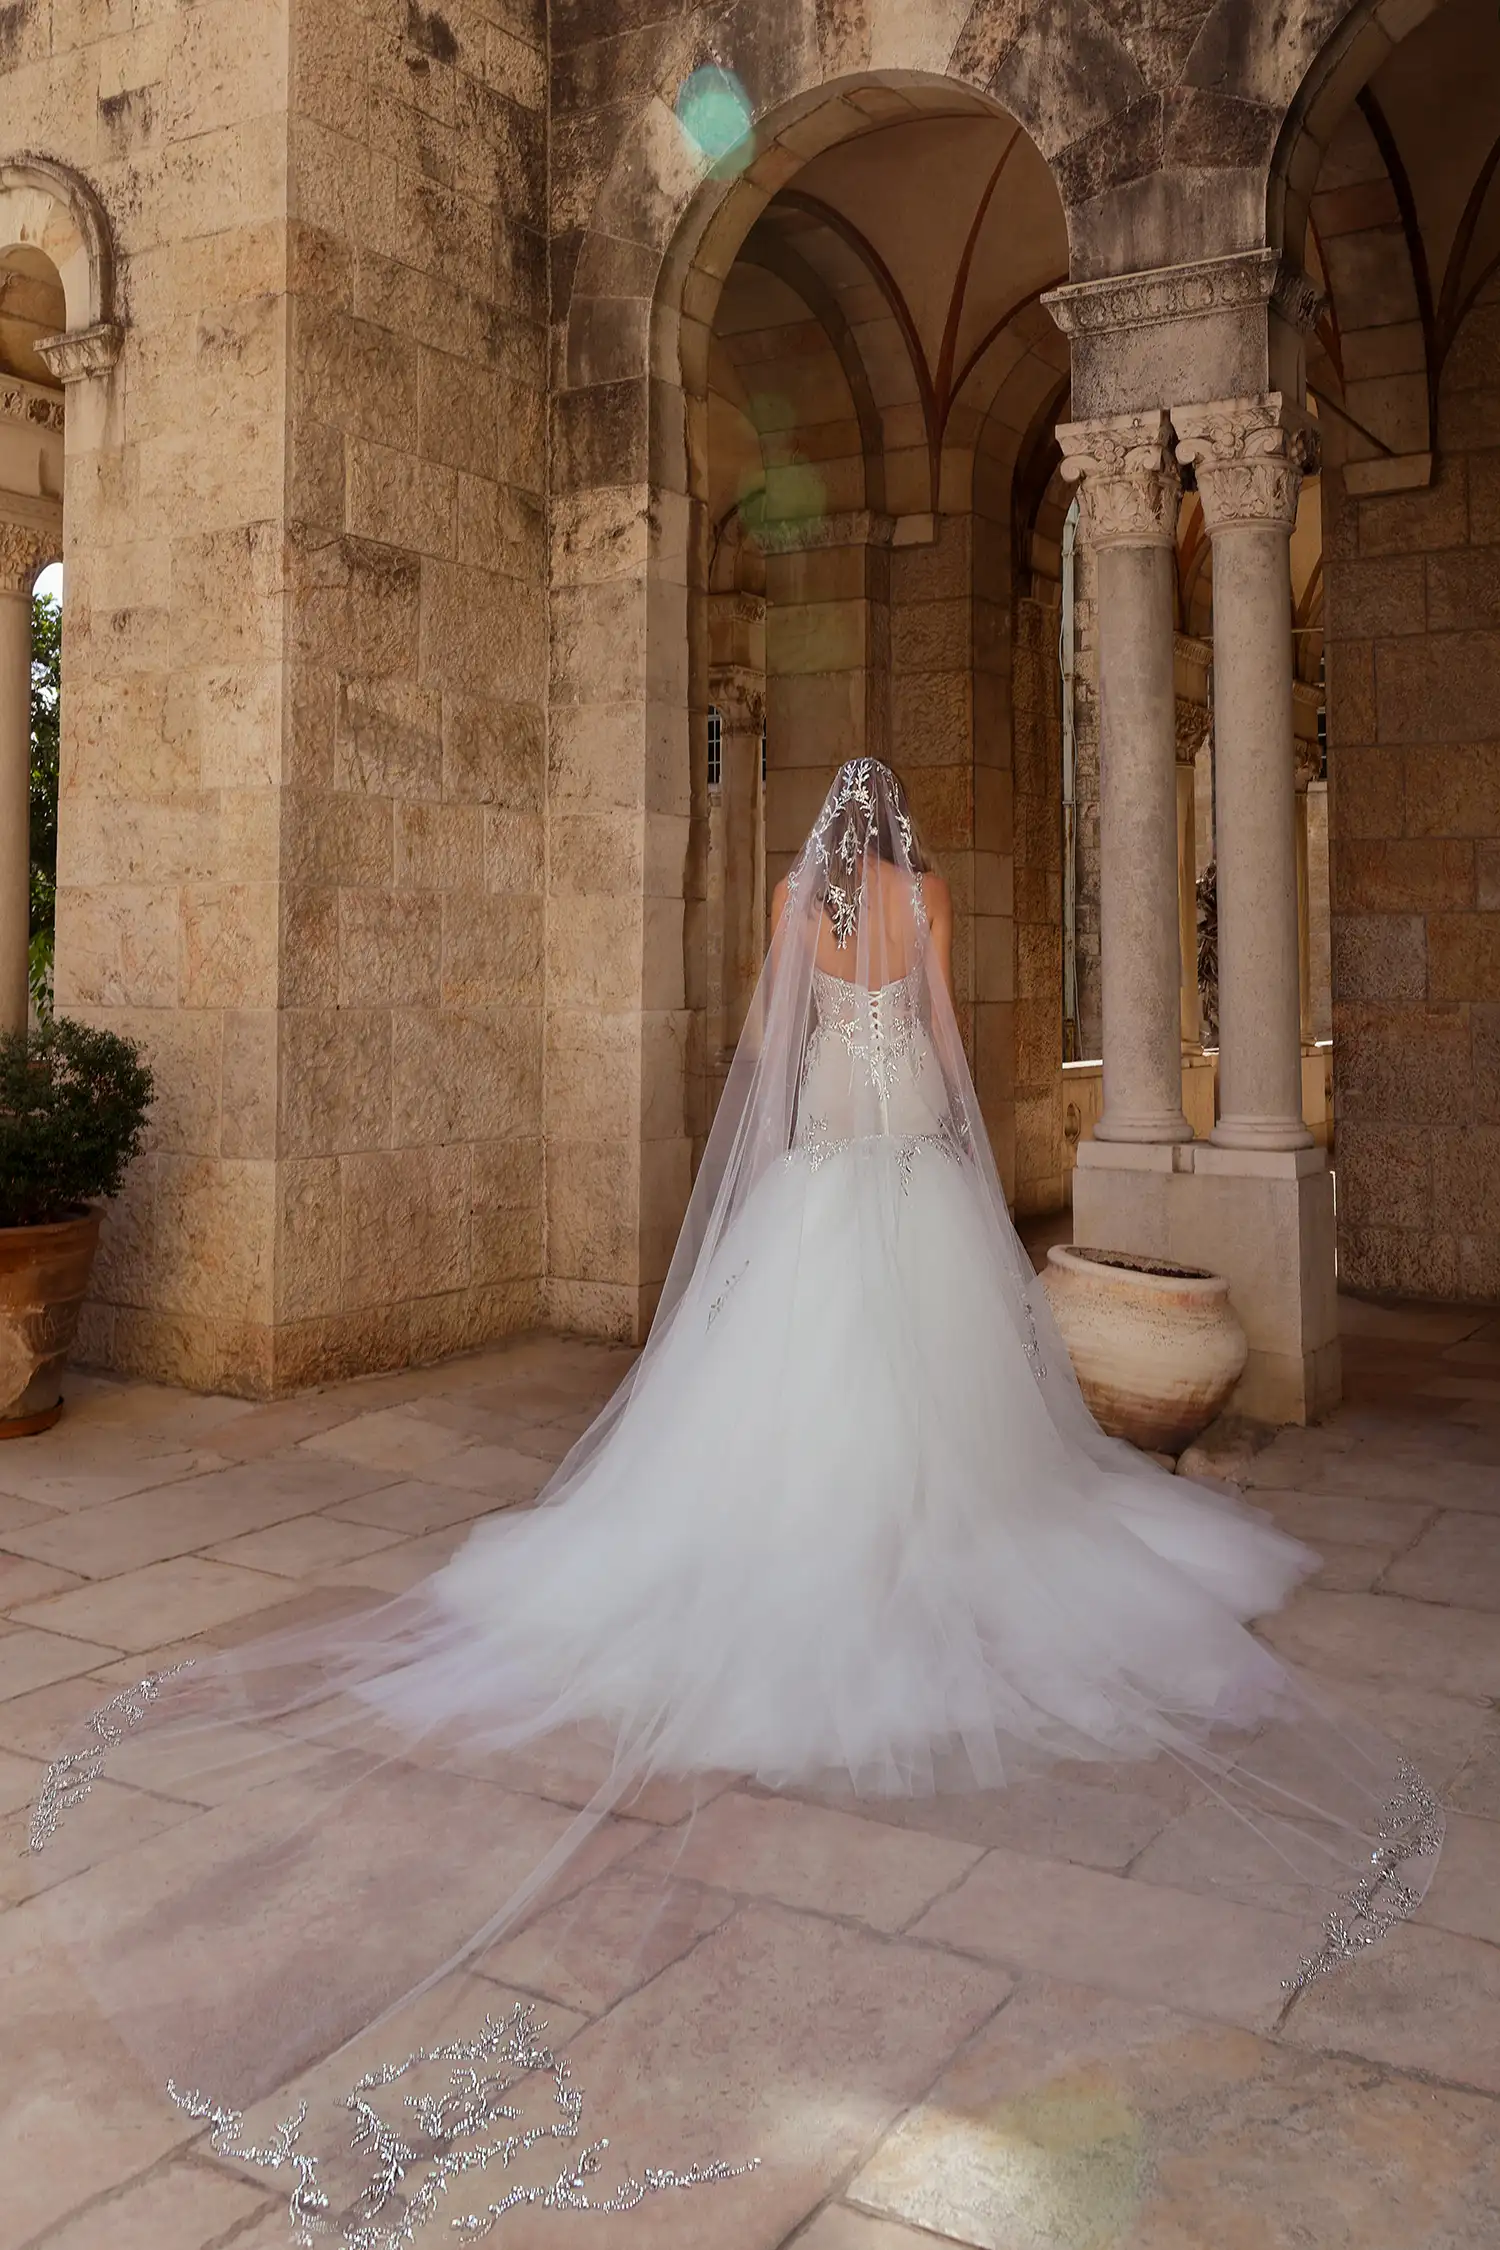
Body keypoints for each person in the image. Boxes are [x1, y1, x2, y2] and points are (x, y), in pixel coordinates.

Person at [32, 759, 1443, 2249]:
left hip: (827, 1149)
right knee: (939, 1400)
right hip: (901, 1145)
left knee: (782, 1379)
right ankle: (909, 1548)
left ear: (818, 843)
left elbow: (773, 1053)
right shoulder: (925, 899)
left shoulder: (795, 904)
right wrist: (948, 1137)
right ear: (896, 835)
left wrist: (811, 1098)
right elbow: (946, 1046)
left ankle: (800, 1544)